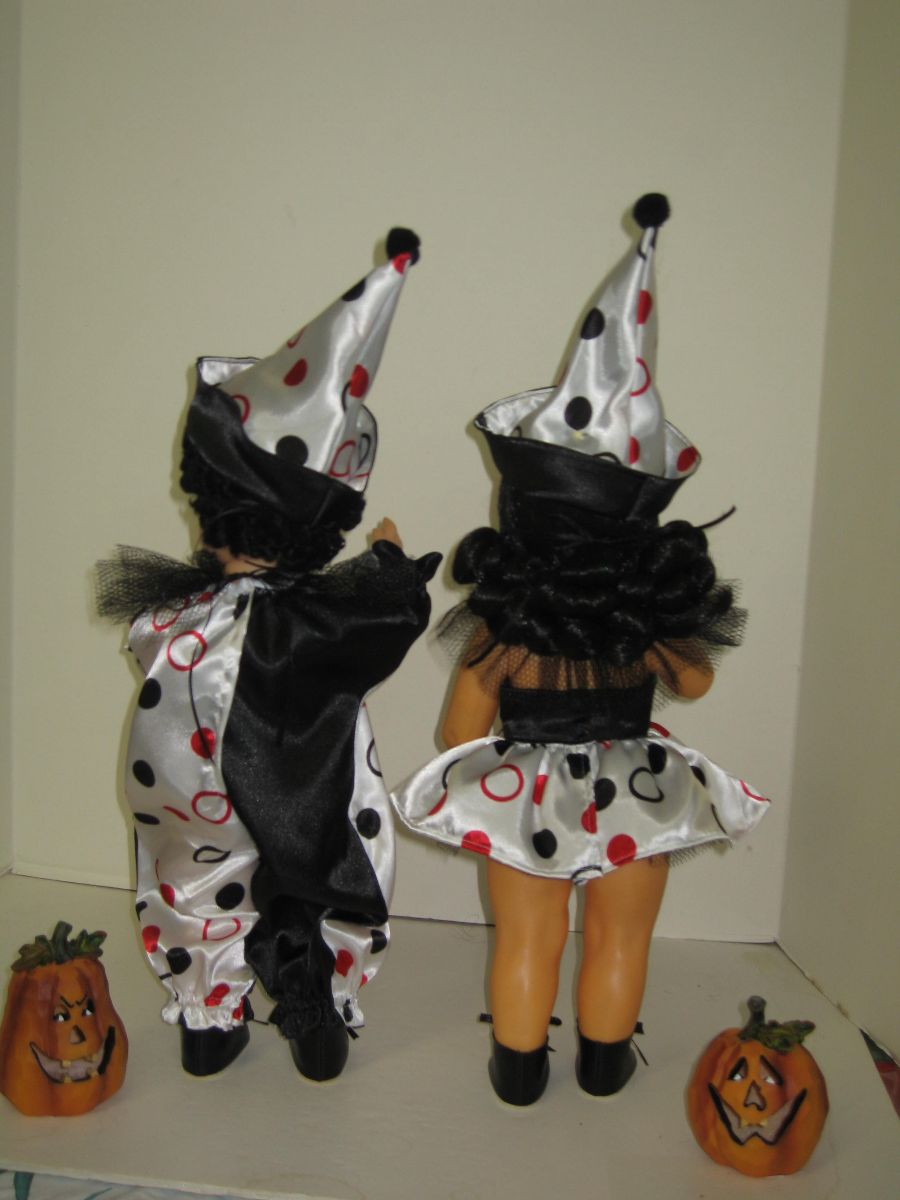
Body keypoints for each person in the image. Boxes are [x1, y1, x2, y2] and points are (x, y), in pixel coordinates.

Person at [393, 197, 769, 1105]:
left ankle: (518, 1069)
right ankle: (604, 1063)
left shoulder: (507, 632)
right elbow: (697, 680)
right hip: (636, 793)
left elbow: (458, 730)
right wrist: (654, 638)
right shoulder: (643, 621)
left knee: (528, 936)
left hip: (527, 799)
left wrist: (496, 743)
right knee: (621, 936)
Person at [97, 228, 440, 1081]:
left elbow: (148, 649)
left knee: (194, 872)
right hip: (305, 779)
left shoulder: (178, 616)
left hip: (188, 779)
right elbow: (392, 622)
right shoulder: (323, 619)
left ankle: (209, 1020)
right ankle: (315, 1005)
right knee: (319, 871)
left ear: (212, 510)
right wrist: (391, 566)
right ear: (323, 529)